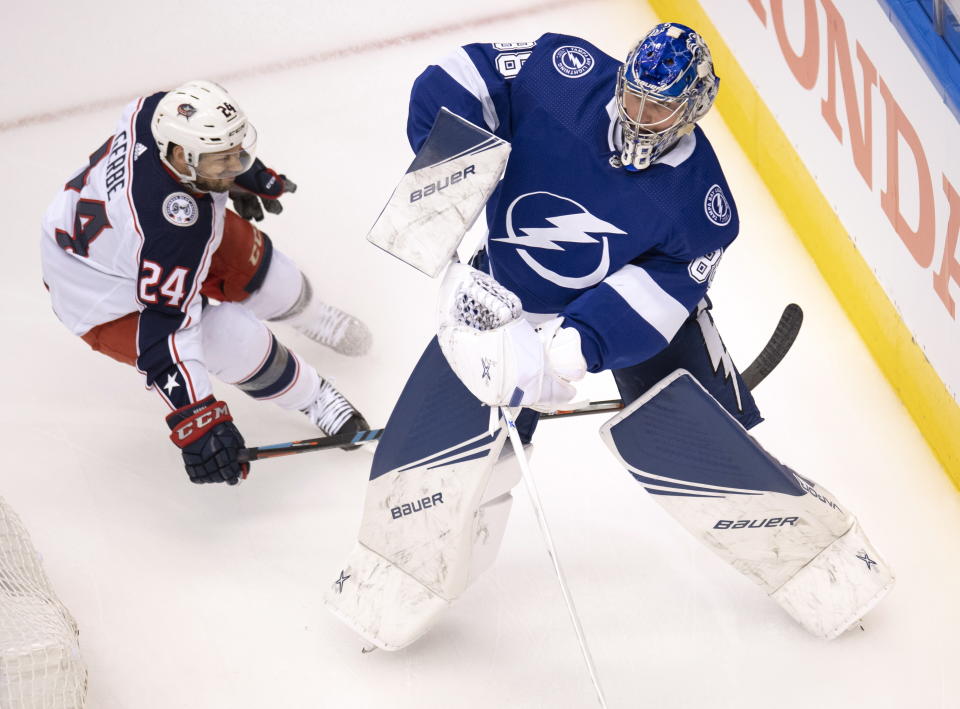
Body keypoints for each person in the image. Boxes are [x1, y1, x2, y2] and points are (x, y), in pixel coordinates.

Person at [323, 24, 891, 650]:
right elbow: (460, 77)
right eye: (634, 96)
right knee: (444, 441)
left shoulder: (700, 202)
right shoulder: (558, 74)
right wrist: (449, 185)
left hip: (649, 321)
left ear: (695, 105)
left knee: (695, 442)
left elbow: (665, 290)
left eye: (662, 106)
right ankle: (398, 569)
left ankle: (816, 556)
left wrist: (576, 346)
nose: (641, 117)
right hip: (508, 292)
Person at [41, 80, 371, 486]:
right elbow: (164, 340)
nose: (235, 164)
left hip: (135, 240)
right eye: (224, 162)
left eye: (237, 152)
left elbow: (210, 144)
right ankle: (314, 396)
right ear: (182, 156)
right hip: (101, 298)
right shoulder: (172, 231)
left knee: (276, 281)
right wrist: (196, 421)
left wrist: (246, 175)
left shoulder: (158, 112)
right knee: (231, 338)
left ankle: (312, 316)